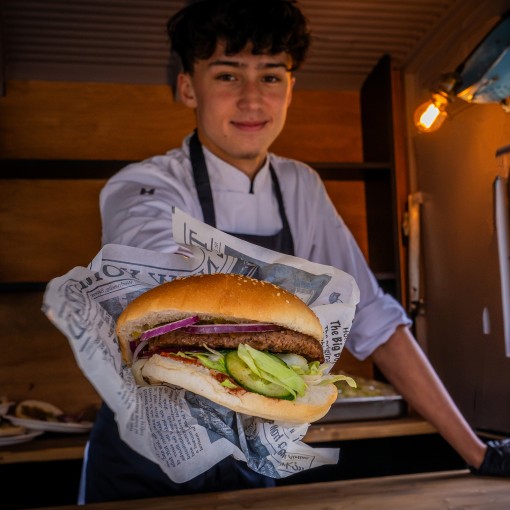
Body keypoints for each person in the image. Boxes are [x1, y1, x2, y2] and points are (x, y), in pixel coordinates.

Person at [82, 0, 510, 503]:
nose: (251, 101)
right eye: (226, 75)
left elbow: (372, 319)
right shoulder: (143, 185)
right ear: (187, 88)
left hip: (254, 457)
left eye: (270, 77)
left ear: (291, 89)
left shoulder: (300, 185)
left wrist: (478, 453)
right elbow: (155, 261)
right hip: (144, 458)